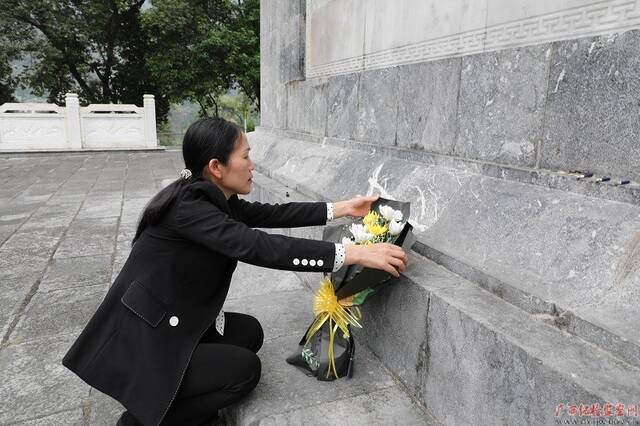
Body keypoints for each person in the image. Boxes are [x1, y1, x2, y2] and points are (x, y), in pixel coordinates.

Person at [62, 117, 408, 425]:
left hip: (171, 323)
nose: (252, 164)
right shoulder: (191, 209)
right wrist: (352, 253)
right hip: (147, 341)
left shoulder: (211, 198)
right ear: (216, 166)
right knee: (244, 372)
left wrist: (342, 208)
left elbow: (272, 215)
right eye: (245, 155)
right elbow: (257, 246)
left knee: (249, 334)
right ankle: (146, 420)